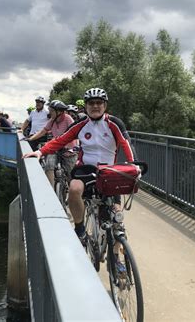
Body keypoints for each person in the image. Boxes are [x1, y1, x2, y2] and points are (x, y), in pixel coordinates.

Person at [23, 87, 135, 246]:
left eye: (99, 103)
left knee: (117, 218)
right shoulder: (81, 124)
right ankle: (80, 229)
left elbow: (126, 143)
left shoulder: (114, 123)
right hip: (86, 169)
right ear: (87, 106)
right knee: (74, 189)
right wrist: (40, 152)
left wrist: (134, 165)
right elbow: (60, 140)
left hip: (109, 171)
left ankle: (117, 259)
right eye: (91, 103)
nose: (95, 106)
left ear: (105, 105)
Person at [26, 100, 77, 185]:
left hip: (69, 148)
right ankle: (52, 190)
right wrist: (31, 139)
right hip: (56, 146)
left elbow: (76, 132)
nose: (49, 113)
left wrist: (75, 147)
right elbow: (43, 131)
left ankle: (70, 191)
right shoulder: (52, 120)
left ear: (59, 112)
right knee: (49, 165)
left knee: (71, 173)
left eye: (52, 111)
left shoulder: (68, 119)